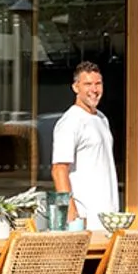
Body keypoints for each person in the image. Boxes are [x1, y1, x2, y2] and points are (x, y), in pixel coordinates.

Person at [50, 59, 120, 228]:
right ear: (75, 87)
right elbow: (59, 169)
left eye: (98, 83)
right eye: (87, 84)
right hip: (85, 217)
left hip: (108, 217)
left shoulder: (102, 119)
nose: (94, 90)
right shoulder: (70, 122)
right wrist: (70, 210)